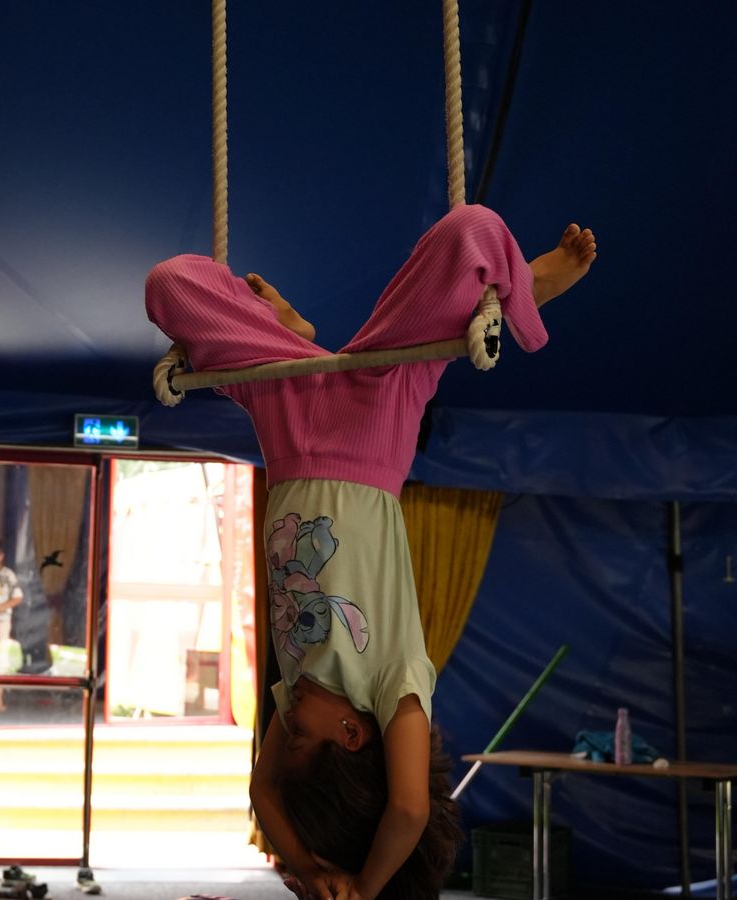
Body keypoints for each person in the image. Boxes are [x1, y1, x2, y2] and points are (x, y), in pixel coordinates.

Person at [145, 205, 597, 900]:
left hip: (289, 426)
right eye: (300, 739)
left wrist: (308, 869)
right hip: (373, 424)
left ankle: (286, 335)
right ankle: (526, 288)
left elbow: (263, 794)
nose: (285, 727)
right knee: (469, 230)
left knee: (170, 282)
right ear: (352, 736)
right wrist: (365, 887)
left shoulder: (299, 692)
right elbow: (409, 810)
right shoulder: (394, 689)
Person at [0, 538, 24, 712]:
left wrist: (1, 607)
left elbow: (18, 597)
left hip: (1, 621)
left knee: (0, 659)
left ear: (1, 556)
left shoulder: (8, 575)